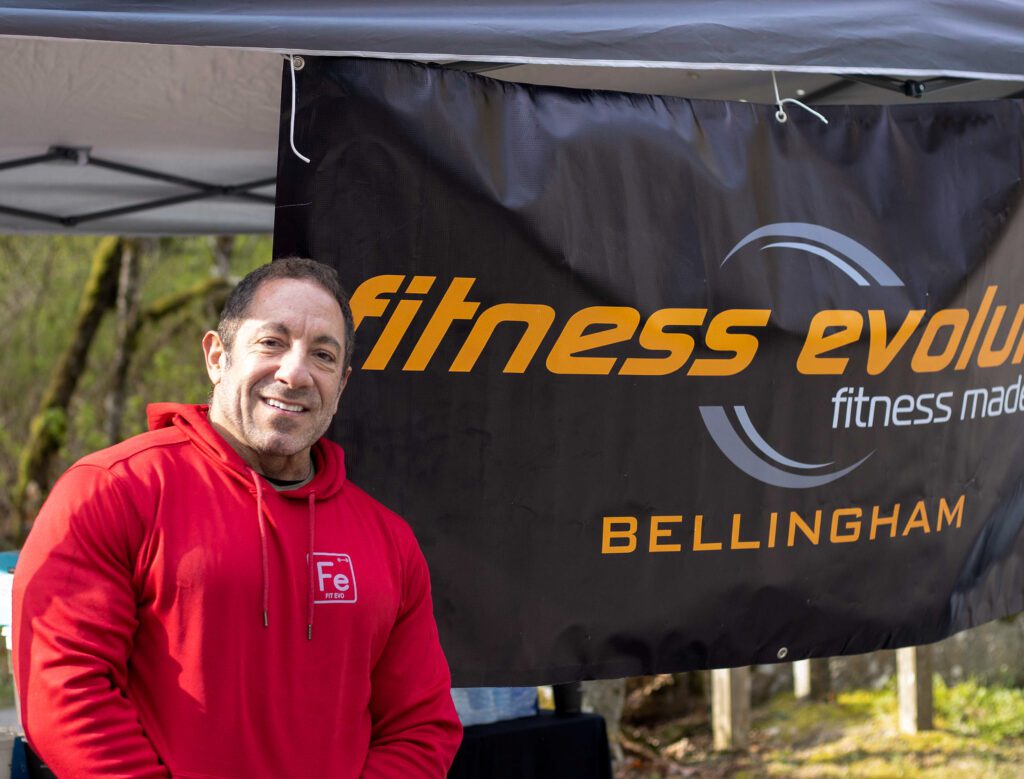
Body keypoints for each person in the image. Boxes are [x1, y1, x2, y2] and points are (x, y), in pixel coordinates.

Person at [13, 258, 462, 778]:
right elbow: (65, 690)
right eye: (271, 342)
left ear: (341, 386)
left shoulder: (388, 540)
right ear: (216, 357)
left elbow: (421, 725)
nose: (294, 373)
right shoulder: (113, 490)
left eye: (322, 354)